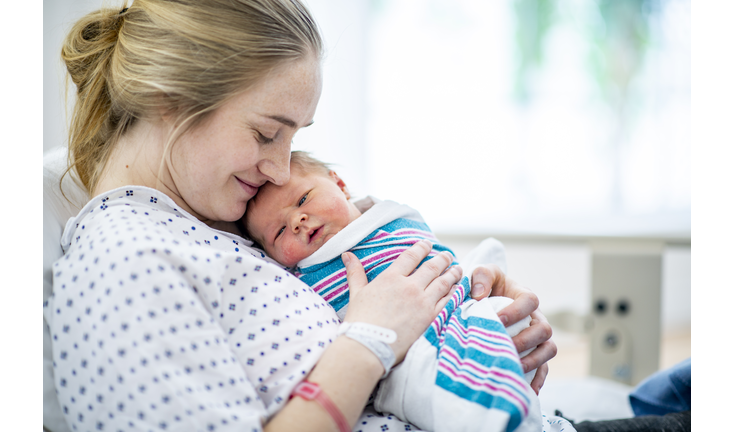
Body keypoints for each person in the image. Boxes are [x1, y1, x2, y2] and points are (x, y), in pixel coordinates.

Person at [45, 1, 556, 431]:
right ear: (170, 99)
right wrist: (371, 338)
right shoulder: (125, 263)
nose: (279, 168)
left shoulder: (214, 223)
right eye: (266, 133)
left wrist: (473, 311)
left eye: (293, 138)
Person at [241, 151, 562, 431]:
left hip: (461, 302)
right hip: (414, 347)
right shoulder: (299, 279)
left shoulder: (389, 216)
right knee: (445, 385)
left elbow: (439, 256)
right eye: (279, 232)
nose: (296, 221)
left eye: (302, 199)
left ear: (339, 183)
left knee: (500, 308)